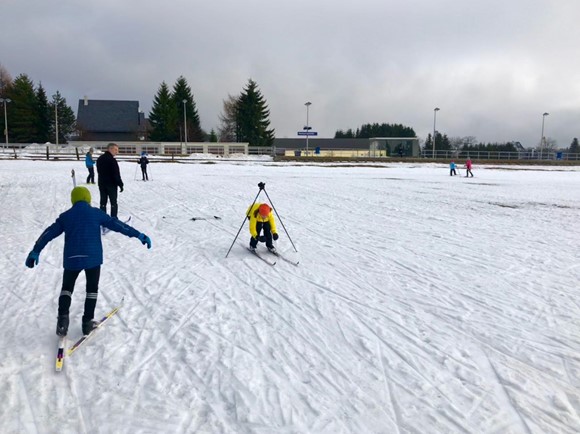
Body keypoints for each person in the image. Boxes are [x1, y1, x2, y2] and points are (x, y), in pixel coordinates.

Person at [25, 186, 152, 336]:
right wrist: (139, 235)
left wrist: (35, 251)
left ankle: (62, 322)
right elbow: (119, 226)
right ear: (88, 199)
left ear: (73, 200)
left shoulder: (65, 216)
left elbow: (48, 233)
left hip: (72, 259)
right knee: (92, 290)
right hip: (93, 258)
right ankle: (87, 323)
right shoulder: (97, 213)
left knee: (67, 288)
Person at [97, 142, 124, 218]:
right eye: (115, 150)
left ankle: (102, 218)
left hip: (102, 183)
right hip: (111, 184)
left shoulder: (100, 159)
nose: (117, 152)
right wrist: (120, 184)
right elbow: (116, 174)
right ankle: (114, 218)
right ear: (110, 149)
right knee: (113, 202)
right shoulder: (112, 160)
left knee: (103, 202)